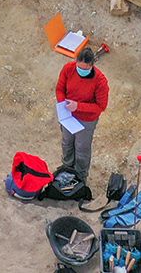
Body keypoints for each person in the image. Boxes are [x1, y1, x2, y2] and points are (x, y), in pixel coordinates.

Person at [55, 46, 109, 181]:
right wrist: (63, 104)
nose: (82, 71)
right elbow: (60, 88)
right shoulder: (68, 69)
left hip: (87, 119)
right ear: (76, 61)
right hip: (68, 115)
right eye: (80, 68)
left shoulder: (100, 81)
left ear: (92, 65)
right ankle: (67, 167)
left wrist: (78, 106)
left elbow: (100, 106)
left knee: (82, 149)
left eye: (85, 69)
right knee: (67, 142)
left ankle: (80, 176)